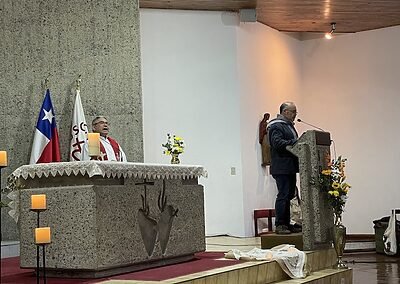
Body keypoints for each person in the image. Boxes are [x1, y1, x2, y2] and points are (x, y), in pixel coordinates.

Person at [267, 102, 300, 234]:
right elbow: (277, 143)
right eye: (293, 112)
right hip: (281, 166)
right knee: (283, 194)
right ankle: (280, 224)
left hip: (290, 166)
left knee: (290, 195)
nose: (295, 115)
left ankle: (287, 223)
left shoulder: (288, 126)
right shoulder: (276, 126)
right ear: (285, 112)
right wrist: (294, 142)